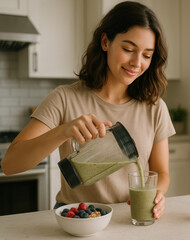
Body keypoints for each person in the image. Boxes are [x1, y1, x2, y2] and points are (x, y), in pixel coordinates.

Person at [1, 1, 175, 220]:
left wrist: (158, 193)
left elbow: (161, 173)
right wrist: (64, 131)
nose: (136, 63)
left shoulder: (155, 107)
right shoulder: (64, 98)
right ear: (105, 42)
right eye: (128, 49)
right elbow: (9, 164)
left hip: (130, 219)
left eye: (147, 55)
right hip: (77, 221)